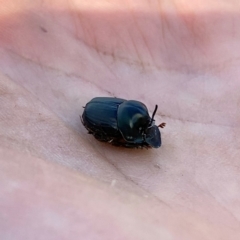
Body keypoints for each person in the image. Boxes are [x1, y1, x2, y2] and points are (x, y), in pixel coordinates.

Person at [1, 0, 239, 239]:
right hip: (99, 116)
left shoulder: (135, 112)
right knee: (114, 138)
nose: (150, 125)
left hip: (109, 111)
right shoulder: (120, 127)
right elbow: (114, 136)